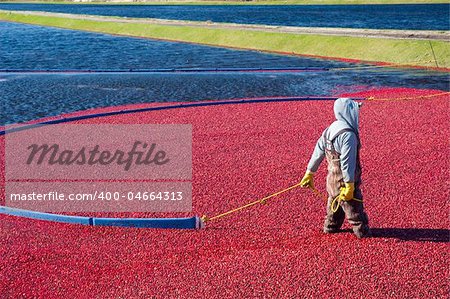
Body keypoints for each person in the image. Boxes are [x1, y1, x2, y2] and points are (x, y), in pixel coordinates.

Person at [300, 98, 371, 238]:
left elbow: (318, 151)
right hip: (345, 182)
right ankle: (362, 232)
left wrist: (310, 172)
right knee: (354, 210)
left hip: (332, 180)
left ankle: (330, 228)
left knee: (333, 204)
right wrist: (349, 186)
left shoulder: (330, 129)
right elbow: (347, 162)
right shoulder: (348, 135)